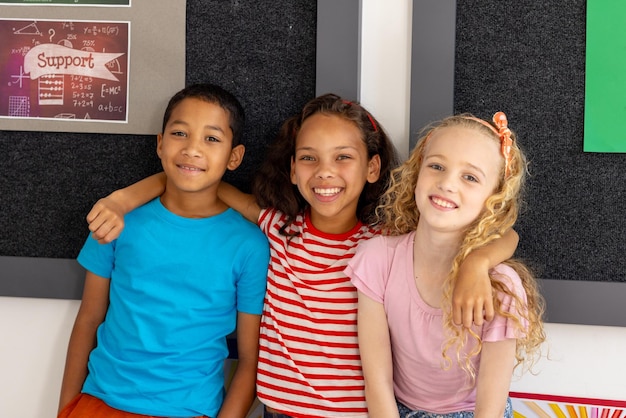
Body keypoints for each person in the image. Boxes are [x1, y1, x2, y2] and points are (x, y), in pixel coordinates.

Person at [84, 95, 519, 418]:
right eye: (309, 158)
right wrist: (123, 200)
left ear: (372, 168)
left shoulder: (386, 245)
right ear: (293, 170)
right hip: (278, 411)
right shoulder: (278, 230)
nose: (325, 172)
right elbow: (197, 178)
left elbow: (500, 226)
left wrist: (479, 262)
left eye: (343, 158)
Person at [57, 83, 270, 418]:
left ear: (234, 157)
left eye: (211, 138)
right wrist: (67, 407)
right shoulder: (116, 222)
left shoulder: (249, 246)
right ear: (160, 143)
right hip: (99, 404)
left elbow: (250, 360)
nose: (192, 149)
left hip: (189, 410)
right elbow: (89, 319)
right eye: (180, 133)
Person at [345, 112, 546, 418]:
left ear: (494, 198)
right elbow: (378, 382)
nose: (447, 184)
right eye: (436, 166)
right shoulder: (377, 259)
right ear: (416, 173)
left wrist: (476, 264)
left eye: (470, 177)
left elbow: (488, 413)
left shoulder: (501, 288)